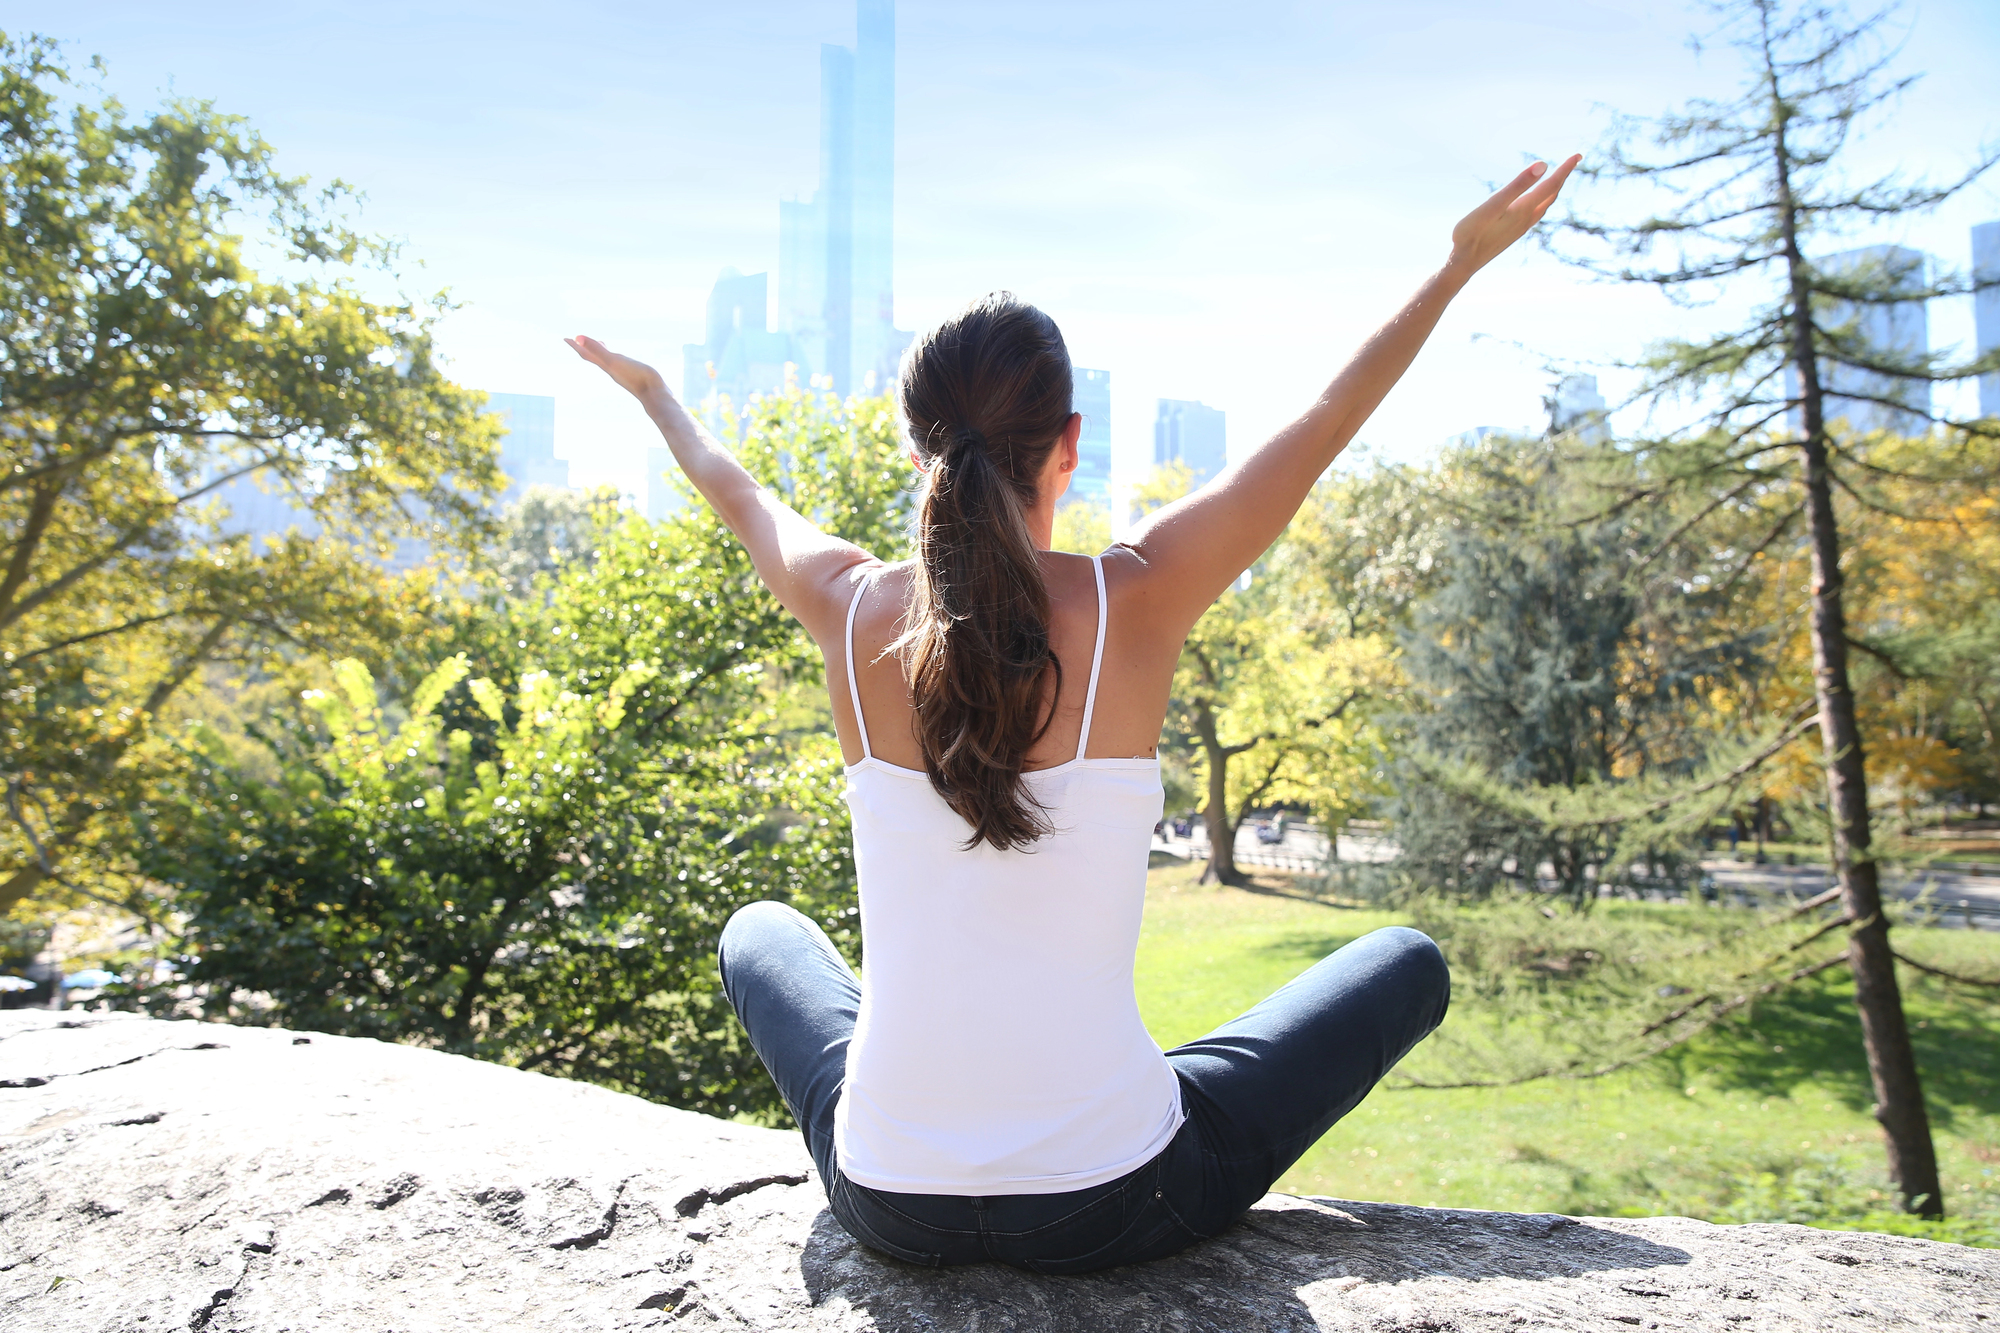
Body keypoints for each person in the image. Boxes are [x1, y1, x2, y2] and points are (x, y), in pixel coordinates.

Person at [567, 155, 1578, 1273]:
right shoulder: (1137, 595)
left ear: (916, 452)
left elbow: (740, 493)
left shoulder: (847, 609)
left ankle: (1020, 1105)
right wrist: (1451, 268)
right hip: (1110, 1202)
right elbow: (1324, 418)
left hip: (889, 1203)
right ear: (1069, 441)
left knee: (758, 933)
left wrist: (658, 394)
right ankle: (1102, 1090)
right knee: (1403, 961)